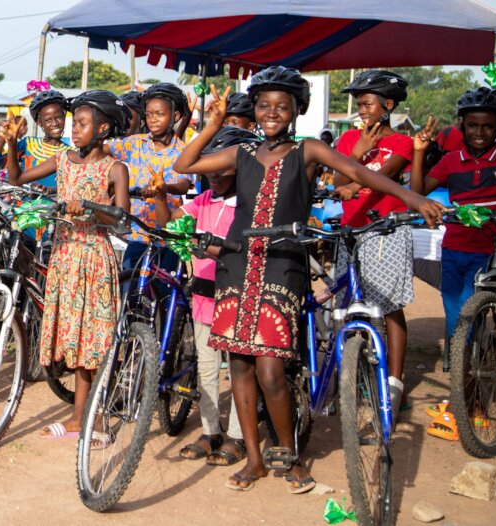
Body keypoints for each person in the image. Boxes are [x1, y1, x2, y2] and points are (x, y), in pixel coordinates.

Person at [174, 68, 442, 493]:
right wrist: (212, 123)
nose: (271, 114)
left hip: (282, 267)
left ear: (297, 109)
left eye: (282, 107)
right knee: (239, 366)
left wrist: (412, 197)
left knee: (271, 371)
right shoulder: (241, 152)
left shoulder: (308, 150)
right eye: (264, 106)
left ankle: (291, 452)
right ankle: (256, 461)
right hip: (236, 266)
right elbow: (183, 164)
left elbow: (360, 173)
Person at [6, 90, 130, 443]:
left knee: (93, 342)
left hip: (93, 257)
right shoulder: (62, 160)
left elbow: (122, 221)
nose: (74, 130)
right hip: (63, 256)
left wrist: (90, 206)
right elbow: (17, 179)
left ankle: (98, 419)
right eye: (74, 124)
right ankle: (78, 418)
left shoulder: (114, 168)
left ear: (103, 129)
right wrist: (12, 145)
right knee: (73, 339)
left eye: (83, 124)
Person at [410, 87, 496, 440]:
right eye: (472, 126)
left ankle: (469, 404)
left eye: (487, 126)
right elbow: (418, 194)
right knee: (460, 331)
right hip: (455, 253)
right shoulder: (452, 160)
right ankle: (468, 406)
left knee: (475, 325)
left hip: (494, 252)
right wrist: (419, 154)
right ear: (462, 126)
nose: (479, 133)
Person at [173, 126, 260, 466]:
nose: (213, 175)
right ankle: (211, 430)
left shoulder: (248, 205)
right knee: (207, 369)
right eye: (209, 168)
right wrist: (158, 198)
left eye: (222, 168)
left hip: (236, 296)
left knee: (239, 370)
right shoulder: (203, 200)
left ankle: (239, 436)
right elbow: (174, 220)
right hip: (205, 297)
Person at [331, 70, 415, 419]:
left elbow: (385, 179)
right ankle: (349, 376)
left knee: (388, 306)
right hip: (350, 230)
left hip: (385, 230)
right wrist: (358, 151)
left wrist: (357, 176)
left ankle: (393, 383)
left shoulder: (402, 143)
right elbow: (336, 179)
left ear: (387, 104)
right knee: (348, 302)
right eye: (359, 104)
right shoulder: (350, 137)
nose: (361, 110)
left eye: (367, 103)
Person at [108, 82, 193, 271]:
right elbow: (103, 150)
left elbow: (184, 185)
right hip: (138, 232)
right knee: (130, 286)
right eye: (149, 114)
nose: (153, 119)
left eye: (160, 114)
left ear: (175, 116)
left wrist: (164, 188)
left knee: (164, 290)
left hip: (169, 234)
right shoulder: (134, 143)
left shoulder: (184, 150)